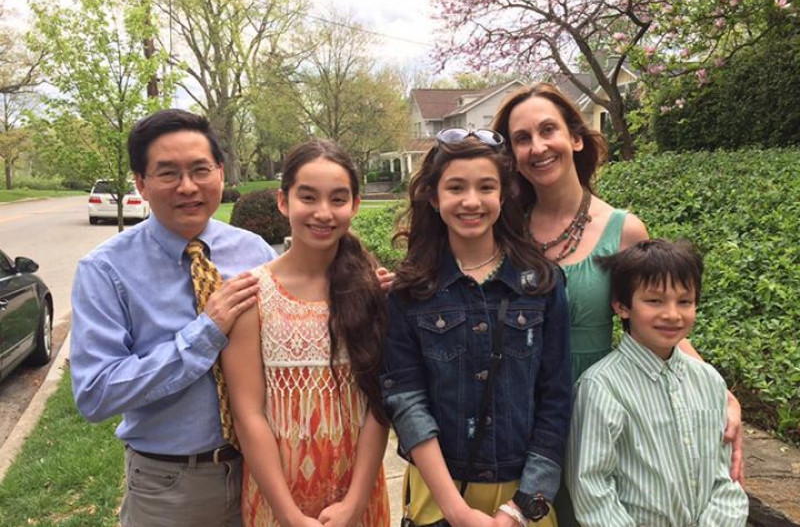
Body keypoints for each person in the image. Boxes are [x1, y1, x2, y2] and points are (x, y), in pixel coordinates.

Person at [492, 84, 744, 525]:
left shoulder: (623, 229)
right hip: (520, 409)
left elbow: (655, 315)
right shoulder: (502, 228)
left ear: (575, 137)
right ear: (511, 154)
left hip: (604, 413)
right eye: (522, 138)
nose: (538, 147)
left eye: (548, 130)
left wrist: (721, 392)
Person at [70, 109, 277, 526]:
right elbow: (95, 393)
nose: (187, 187)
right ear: (141, 184)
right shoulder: (105, 271)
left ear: (220, 173)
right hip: (170, 486)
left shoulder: (254, 251)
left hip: (263, 472)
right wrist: (205, 333)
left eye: (200, 170)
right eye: (168, 173)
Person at [382, 128, 571, 527]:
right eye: (456, 188)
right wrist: (457, 512)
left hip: (523, 495)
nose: (471, 201)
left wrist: (520, 509)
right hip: (439, 494)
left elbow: (555, 398)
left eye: (486, 187)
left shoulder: (541, 285)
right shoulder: (409, 293)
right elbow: (407, 402)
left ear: (503, 195)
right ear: (435, 198)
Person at [221, 138, 390, 527]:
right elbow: (248, 415)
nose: (323, 212)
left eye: (338, 199)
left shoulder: (371, 292)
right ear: (284, 201)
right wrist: (287, 514)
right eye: (308, 197)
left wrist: (355, 503)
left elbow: (378, 407)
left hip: (358, 497)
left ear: (355, 205)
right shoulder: (252, 295)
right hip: (277, 500)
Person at [566, 239, 749, 526]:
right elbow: (591, 488)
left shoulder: (709, 381)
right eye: (654, 301)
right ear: (622, 306)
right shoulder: (601, 387)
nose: (672, 314)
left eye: (684, 302)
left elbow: (726, 479)